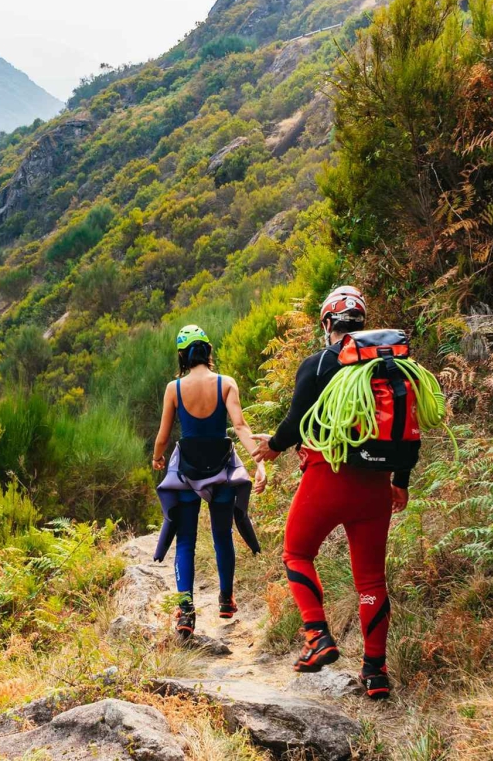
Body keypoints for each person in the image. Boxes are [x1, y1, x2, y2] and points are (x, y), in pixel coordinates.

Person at [253, 286, 408, 700]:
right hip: (377, 482)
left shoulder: (320, 362)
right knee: (372, 579)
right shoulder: (386, 367)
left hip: (328, 473)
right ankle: (375, 673)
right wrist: (401, 482)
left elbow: (295, 419)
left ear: (327, 324)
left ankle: (317, 636)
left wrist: (272, 446)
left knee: (296, 552)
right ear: (362, 323)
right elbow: (406, 424)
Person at [151, 325, 267, 639]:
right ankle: (226, 600)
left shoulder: (173, 388)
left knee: (185, 541)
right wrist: (259, 465)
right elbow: (241, 426)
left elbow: (163, 436)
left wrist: (157, 458)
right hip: (220, 469)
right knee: (222, 537)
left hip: (188, 471)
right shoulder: (226, 384)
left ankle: (186, 611)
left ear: (182, 355)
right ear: (208, 351)